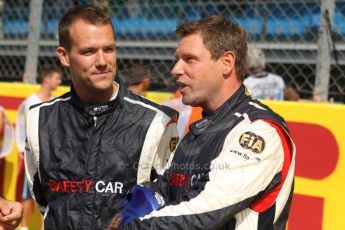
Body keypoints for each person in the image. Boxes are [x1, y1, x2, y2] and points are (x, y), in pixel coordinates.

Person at [120, 15, 296, 229]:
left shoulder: (259, 130)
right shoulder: (201, 127)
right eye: (177, 59)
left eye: (190, 59)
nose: (176, 69)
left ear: (226, 63)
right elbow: (162, 191)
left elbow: (204, 212)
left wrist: (131, 227)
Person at [24, 5, 178, 230]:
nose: (102, 61)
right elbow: (43, 202)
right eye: (88, 52)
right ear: (64, 56)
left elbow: (171, 205)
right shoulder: (38, 119)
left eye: (109, 49)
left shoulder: (156, 121)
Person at [16, 64, 62, 230]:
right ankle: (24, 227)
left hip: (51, 155)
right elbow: (21, 127)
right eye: (56, 78)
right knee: (29, 191)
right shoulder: (30, 102)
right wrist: (23, 148)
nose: (59, 81)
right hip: (33, 154)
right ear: (46, 79)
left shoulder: (55, 103)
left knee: (50, 191)